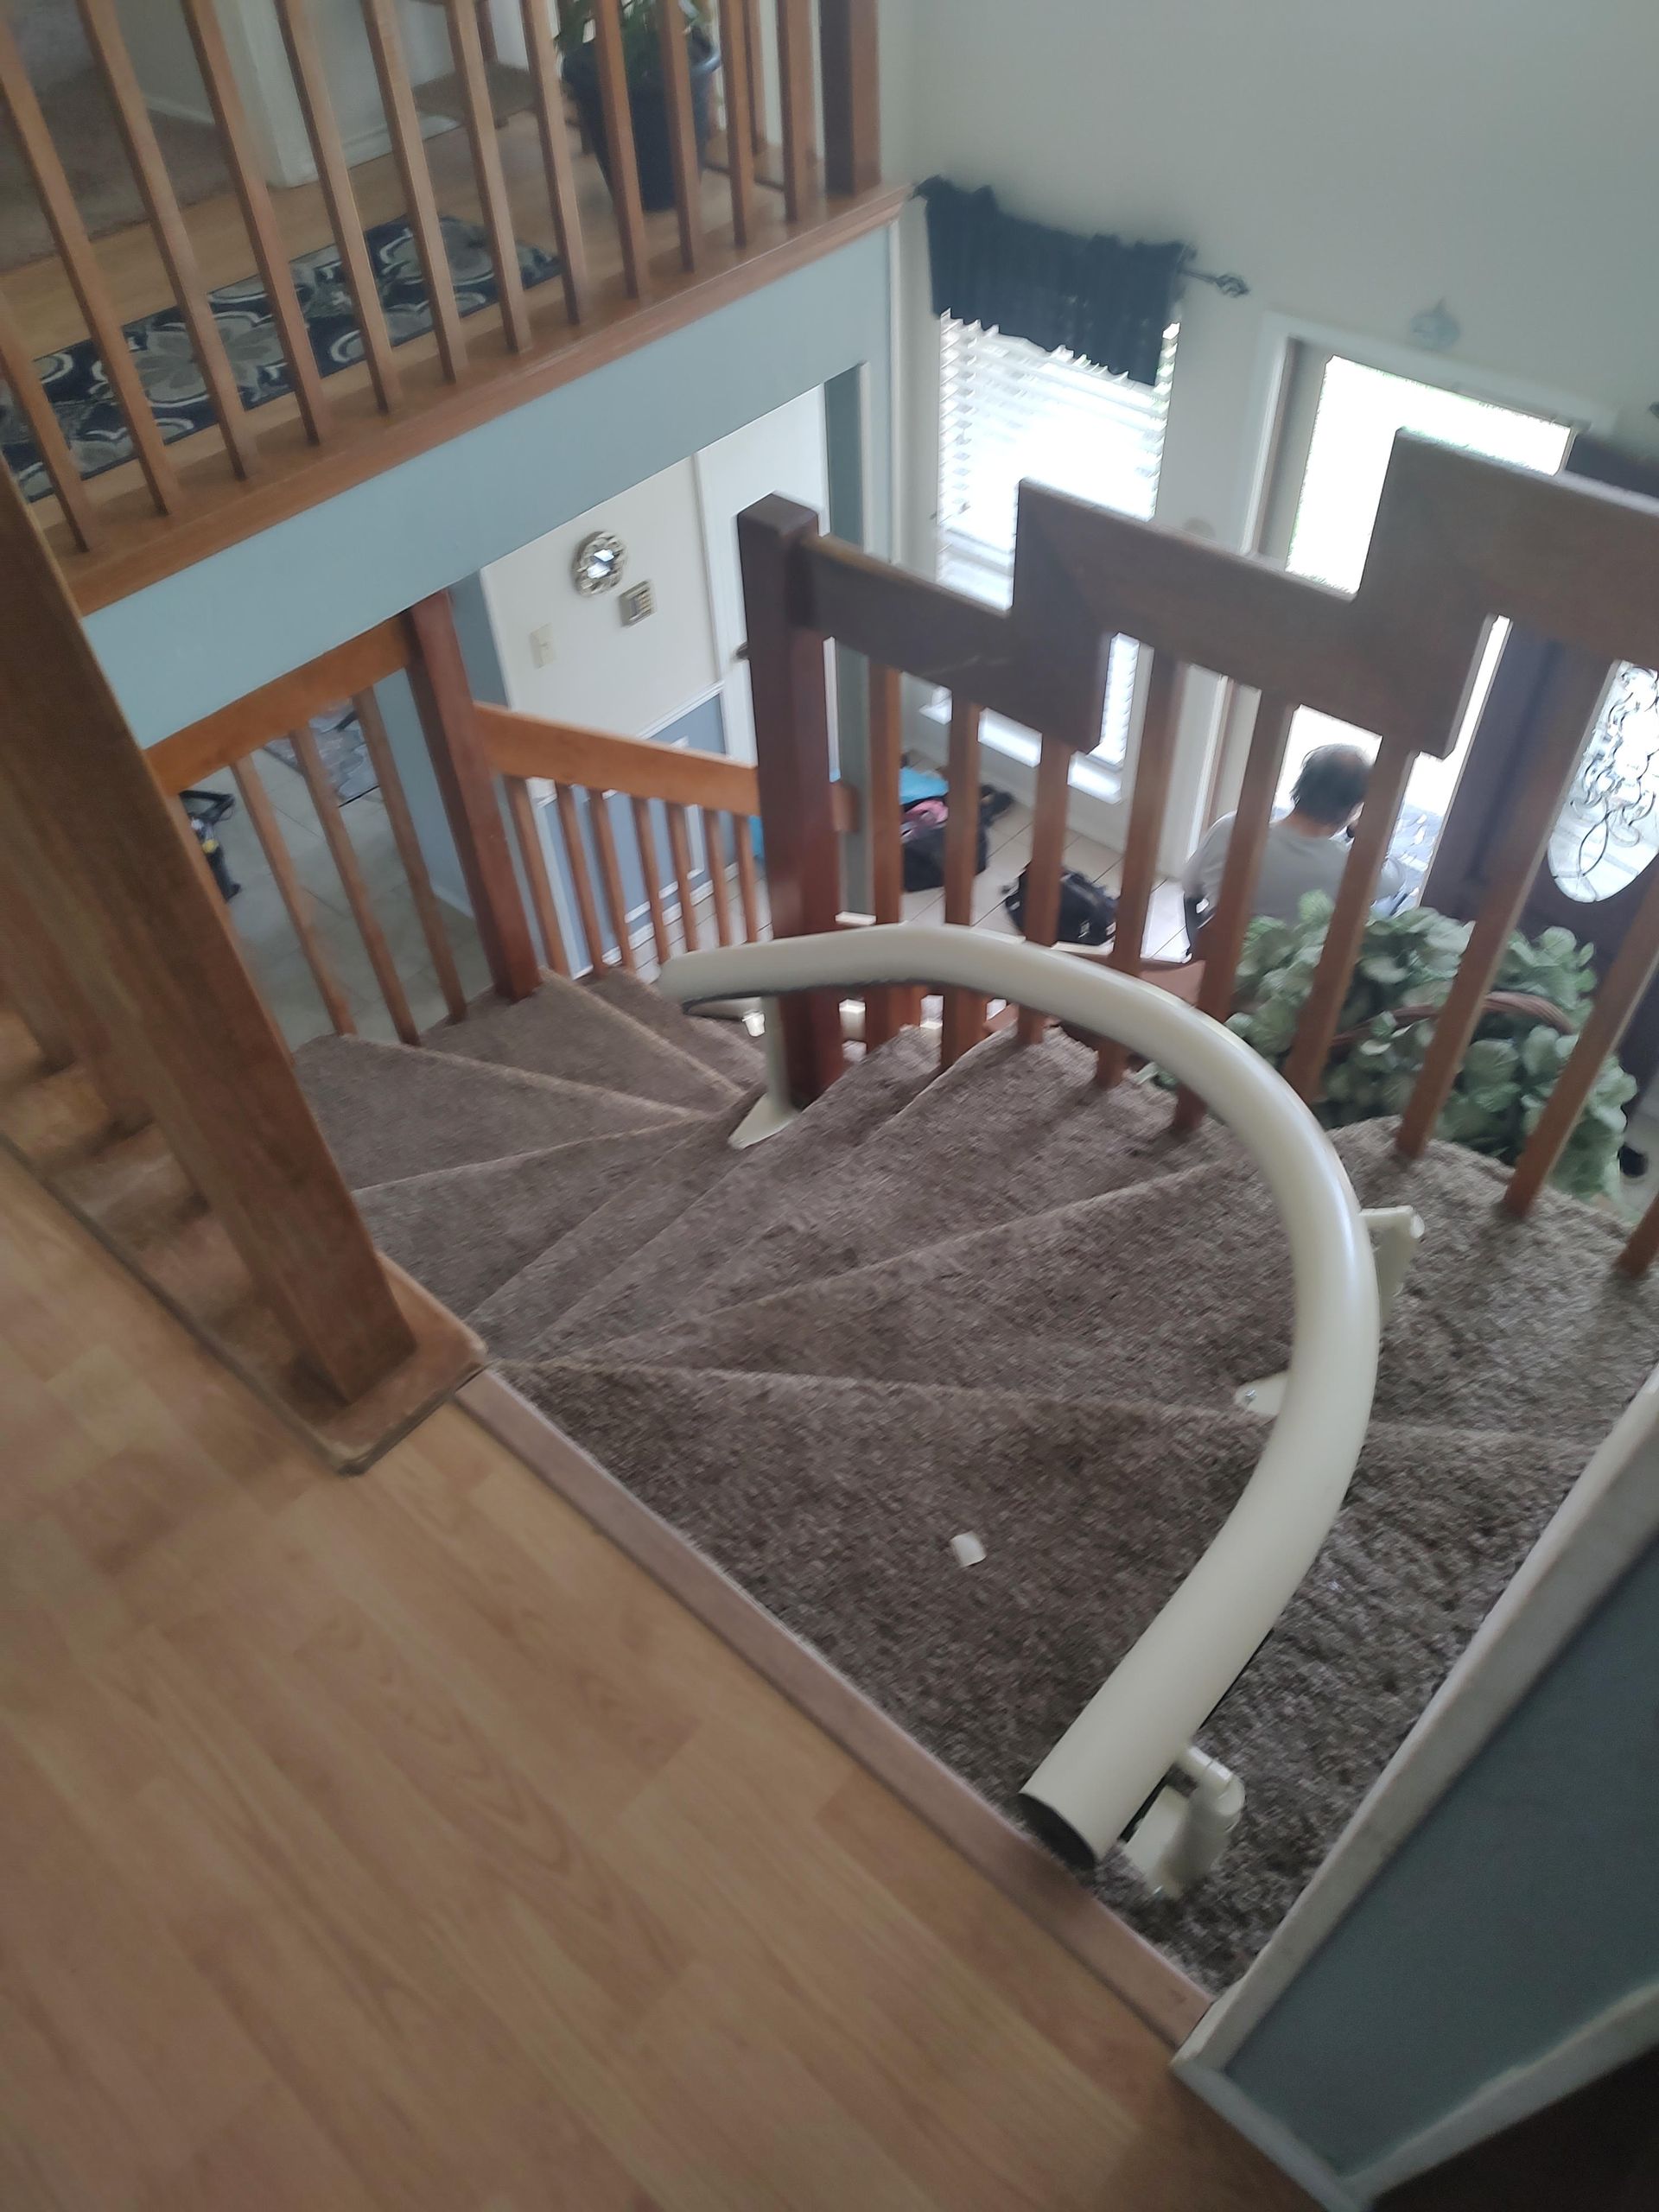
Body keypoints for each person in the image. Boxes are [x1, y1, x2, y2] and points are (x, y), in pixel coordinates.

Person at [1182, 741, 1405, 951]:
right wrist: (1369, 834)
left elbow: (1191, 889)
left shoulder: (1232, 827)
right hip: (1285, 983)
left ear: (1300, 786)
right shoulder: (1352, 868)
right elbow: (1396, 878)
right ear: (1354, 807)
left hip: (1214, 962)